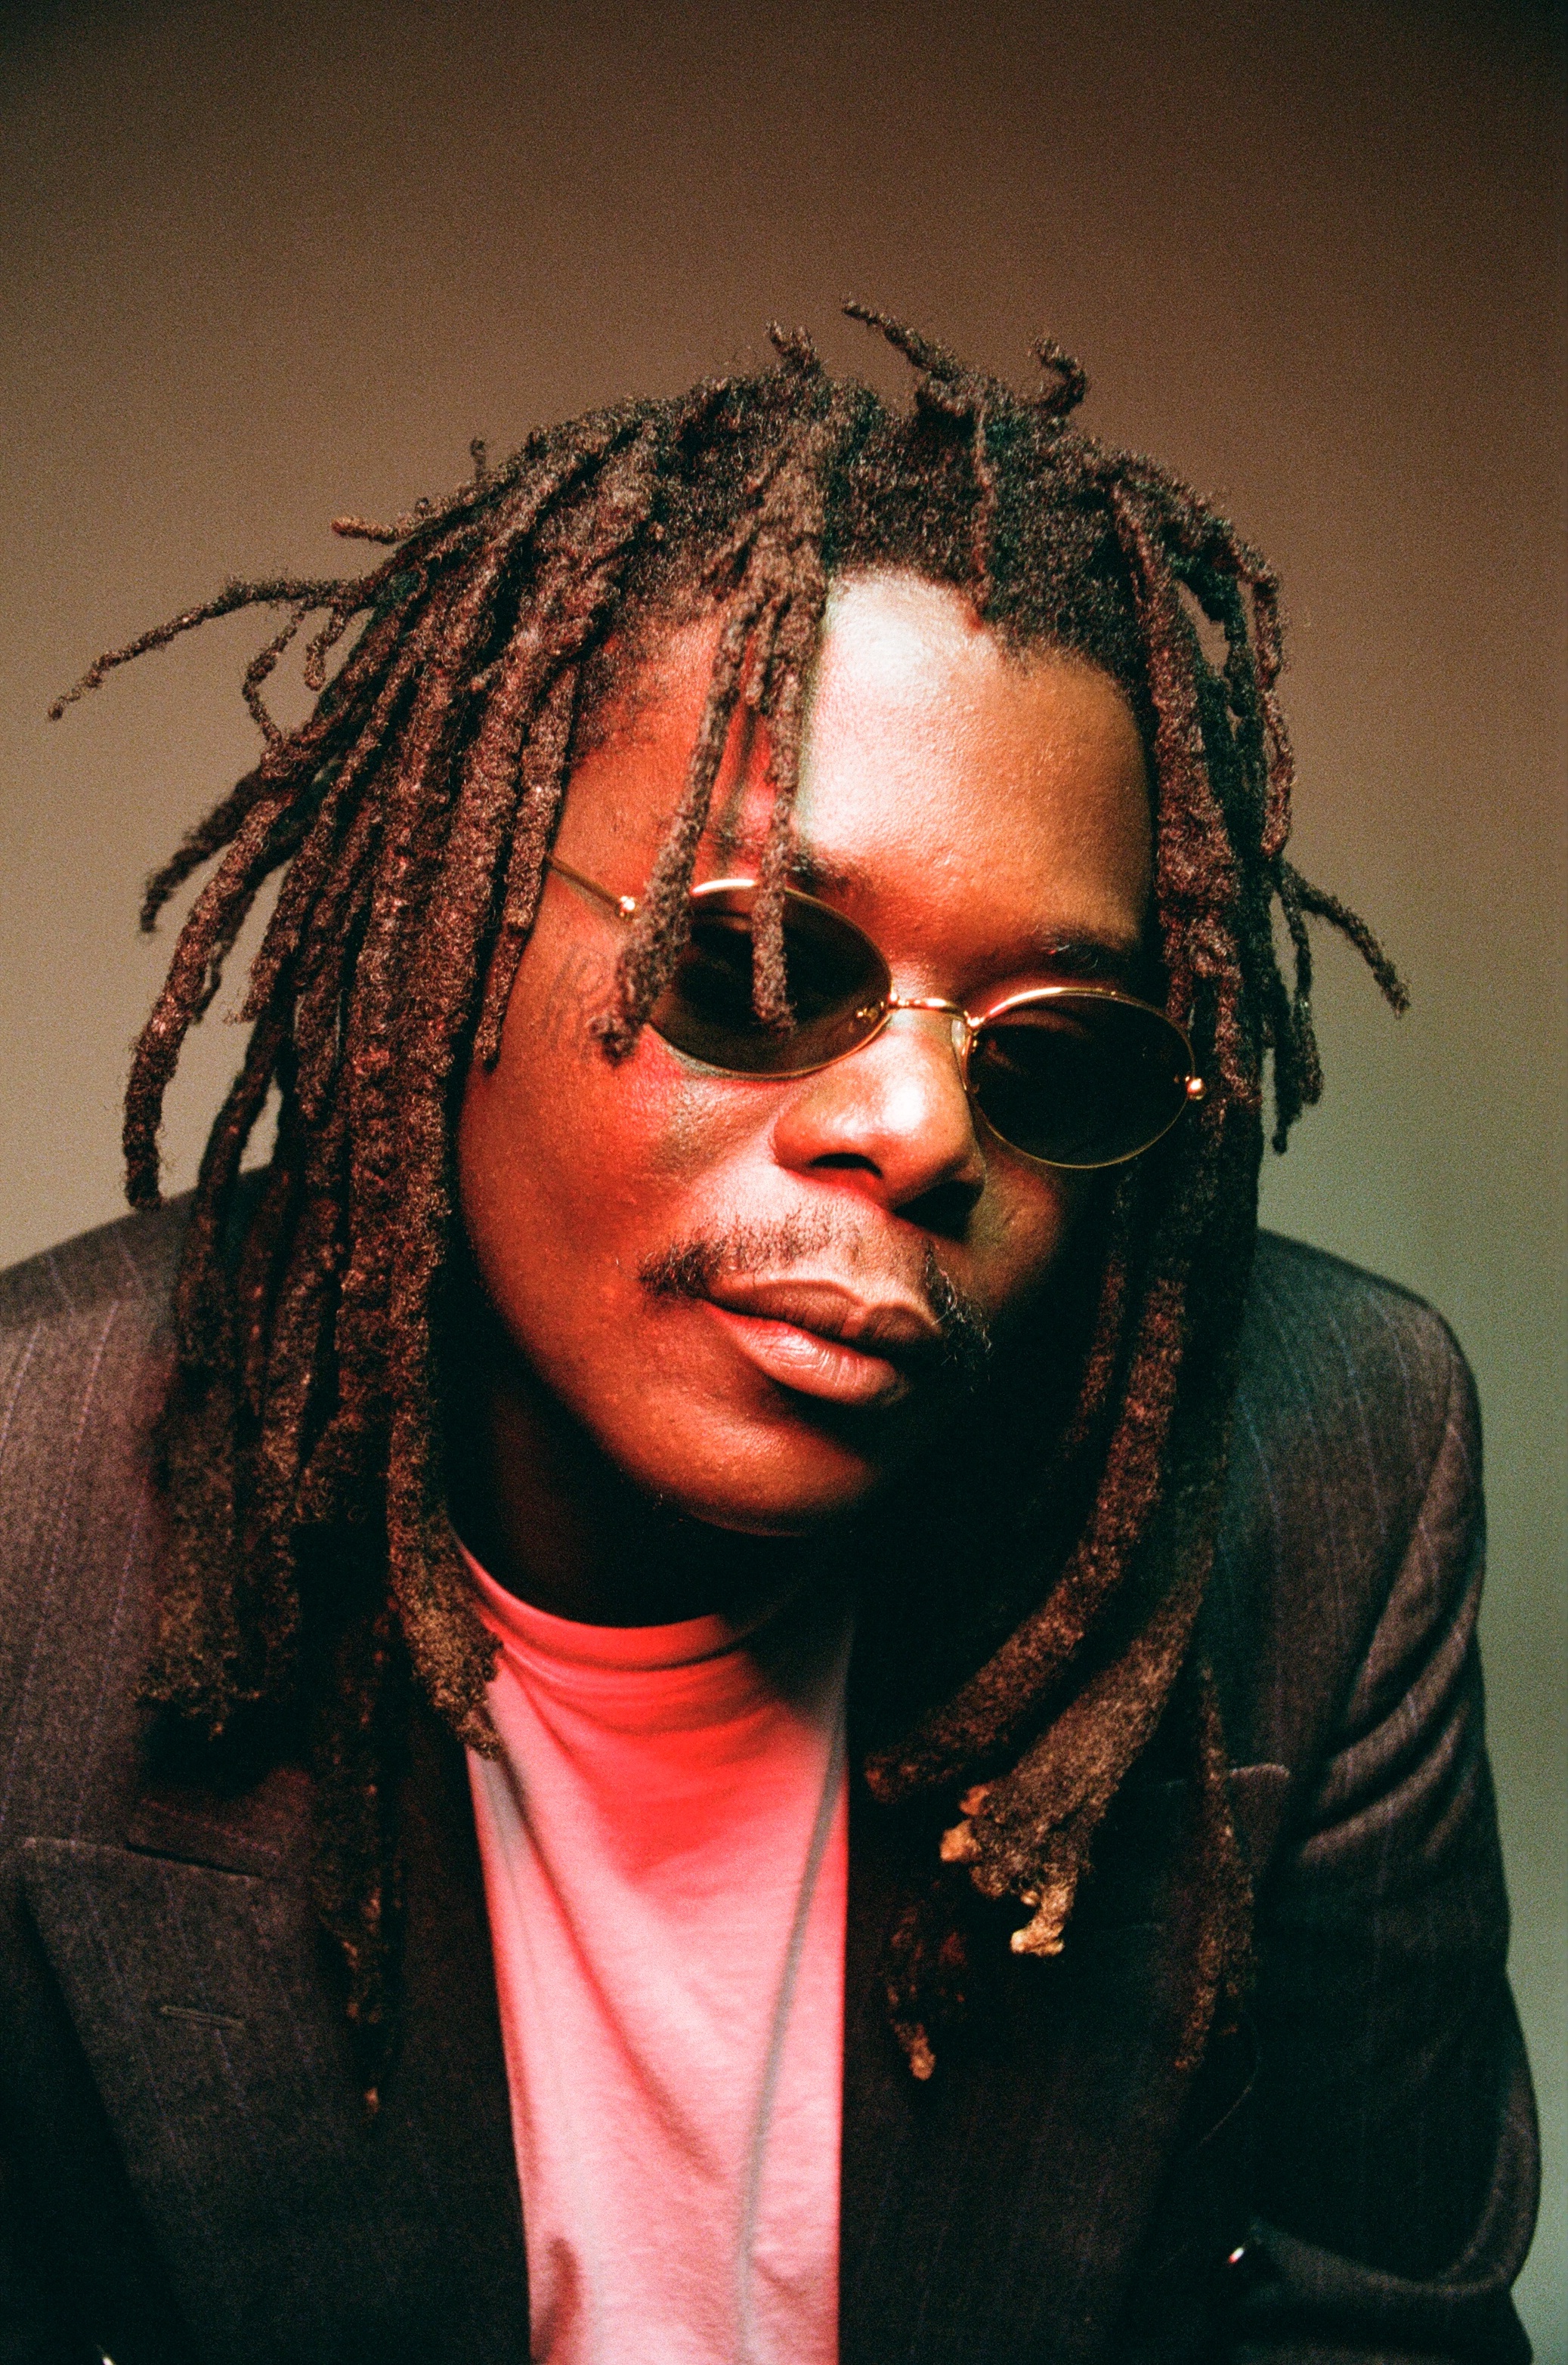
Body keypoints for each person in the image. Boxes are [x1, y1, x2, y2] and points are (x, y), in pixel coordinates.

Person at [0, 311, 1538, 2365]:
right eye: (748, 962)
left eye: (1051, 1053)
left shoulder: (1329, 1473)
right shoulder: (25, 1520)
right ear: (445, 925)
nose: (918, 1128)